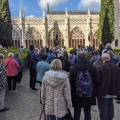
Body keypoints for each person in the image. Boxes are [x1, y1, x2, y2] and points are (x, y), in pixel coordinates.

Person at [70, 51, 100, 120]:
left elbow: (71, 82)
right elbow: (97, 81)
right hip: (89, 92)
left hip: (77, 93)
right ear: (86, 57)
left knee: (77, 112)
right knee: (87, 111)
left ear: (78, 57)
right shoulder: (92, 67)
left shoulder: (73, 68)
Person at [97, 53, 120, 120]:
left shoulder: (100, 67)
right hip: (112, 91)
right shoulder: (116, 67)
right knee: (110, 108)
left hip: (103, 91)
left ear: (102, 59)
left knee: (103, 109)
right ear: (109, 58)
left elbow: (97, 80)